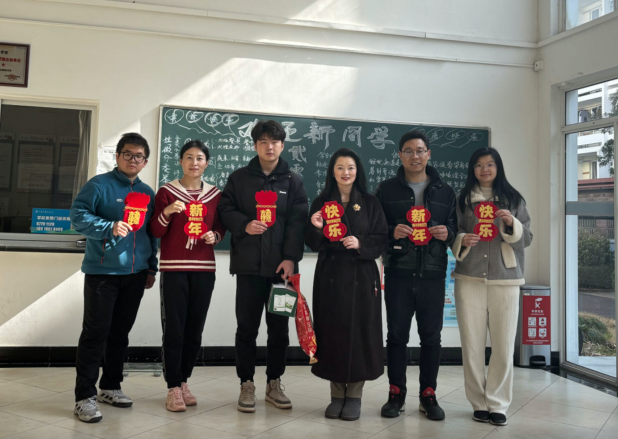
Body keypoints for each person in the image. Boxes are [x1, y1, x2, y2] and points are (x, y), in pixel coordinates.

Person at [218, 120, 308, 413]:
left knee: (279, 329)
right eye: (263, 142)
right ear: (255, 145)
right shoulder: (239, 178)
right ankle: (246, 383)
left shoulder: (293, 181)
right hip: (248, 268)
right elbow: (225, 209)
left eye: (275, 142)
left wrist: (290, 258)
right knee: (246, 328)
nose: (269, 147)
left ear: (282, 145)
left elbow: (297, 222)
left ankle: (274, 382)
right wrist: (244, 225)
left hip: (281, 272)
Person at [70, 133, 158, 423]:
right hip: (103, 273)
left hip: (135, 274)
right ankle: (84, 396)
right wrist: (109, 226)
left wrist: (151, 267)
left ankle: (110, 386)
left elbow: (151, 234)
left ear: (145, 162)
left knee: (120, 333)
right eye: (127, 154)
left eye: (139, 156)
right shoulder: (99, 185)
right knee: (95, 333)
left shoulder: (147, 192)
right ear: (118, 156)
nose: (133, 160)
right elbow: (78, 216)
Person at [375, 130, 457, 421]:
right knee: (396, 336)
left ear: (428, 154)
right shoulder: (386, 190)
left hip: (433, 273)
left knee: (431, 338)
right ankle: (395, 393)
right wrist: (390, 232)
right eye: (408, 151)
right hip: (398, 270)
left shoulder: (445, 191)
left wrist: (448, 233)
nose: (415, 156)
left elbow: (455, 228)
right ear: (399, 155)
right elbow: (374, 229)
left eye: (420, 150)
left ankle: (428, 394)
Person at [451, 147, 532, 426]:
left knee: (503, 345)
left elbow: (527, 238)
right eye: (478, 165)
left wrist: (511, 224)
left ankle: (498, 403)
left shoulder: (513, 198)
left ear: (498, 168)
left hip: (506, 279)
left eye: (490, 164)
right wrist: (462, 239)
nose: (484, 169)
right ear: (472, 169)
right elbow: (454, 231)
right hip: (469, 279)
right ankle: (478, 403)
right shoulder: (463, 200)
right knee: (471, 345)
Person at [306, 148, 388, 421]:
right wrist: (316, 226)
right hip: (330, 275)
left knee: (360, 333)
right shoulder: (321, 201)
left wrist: (361, 243)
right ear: (332, 171)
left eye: (350, 167)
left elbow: (381, 238)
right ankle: (336, 394)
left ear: (357, 171)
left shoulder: (370, 202)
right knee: (331, 332)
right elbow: (311, 242)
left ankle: (354, 395)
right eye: (340, 167)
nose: (345, 172)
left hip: (361, 275)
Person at [150, 140, 226, 412]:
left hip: (204, 269)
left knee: (194, 329)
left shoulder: (215, 194)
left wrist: (214, 236)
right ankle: (172, 386)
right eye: (189, 157)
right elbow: (156, 231)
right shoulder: (166, 192)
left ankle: (183, 381)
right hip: (174, 269)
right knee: (174, 328)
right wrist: (167, 212)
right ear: (181, 161)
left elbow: (220, 227)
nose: (195, 162)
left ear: (207, 163)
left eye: (200, 158)